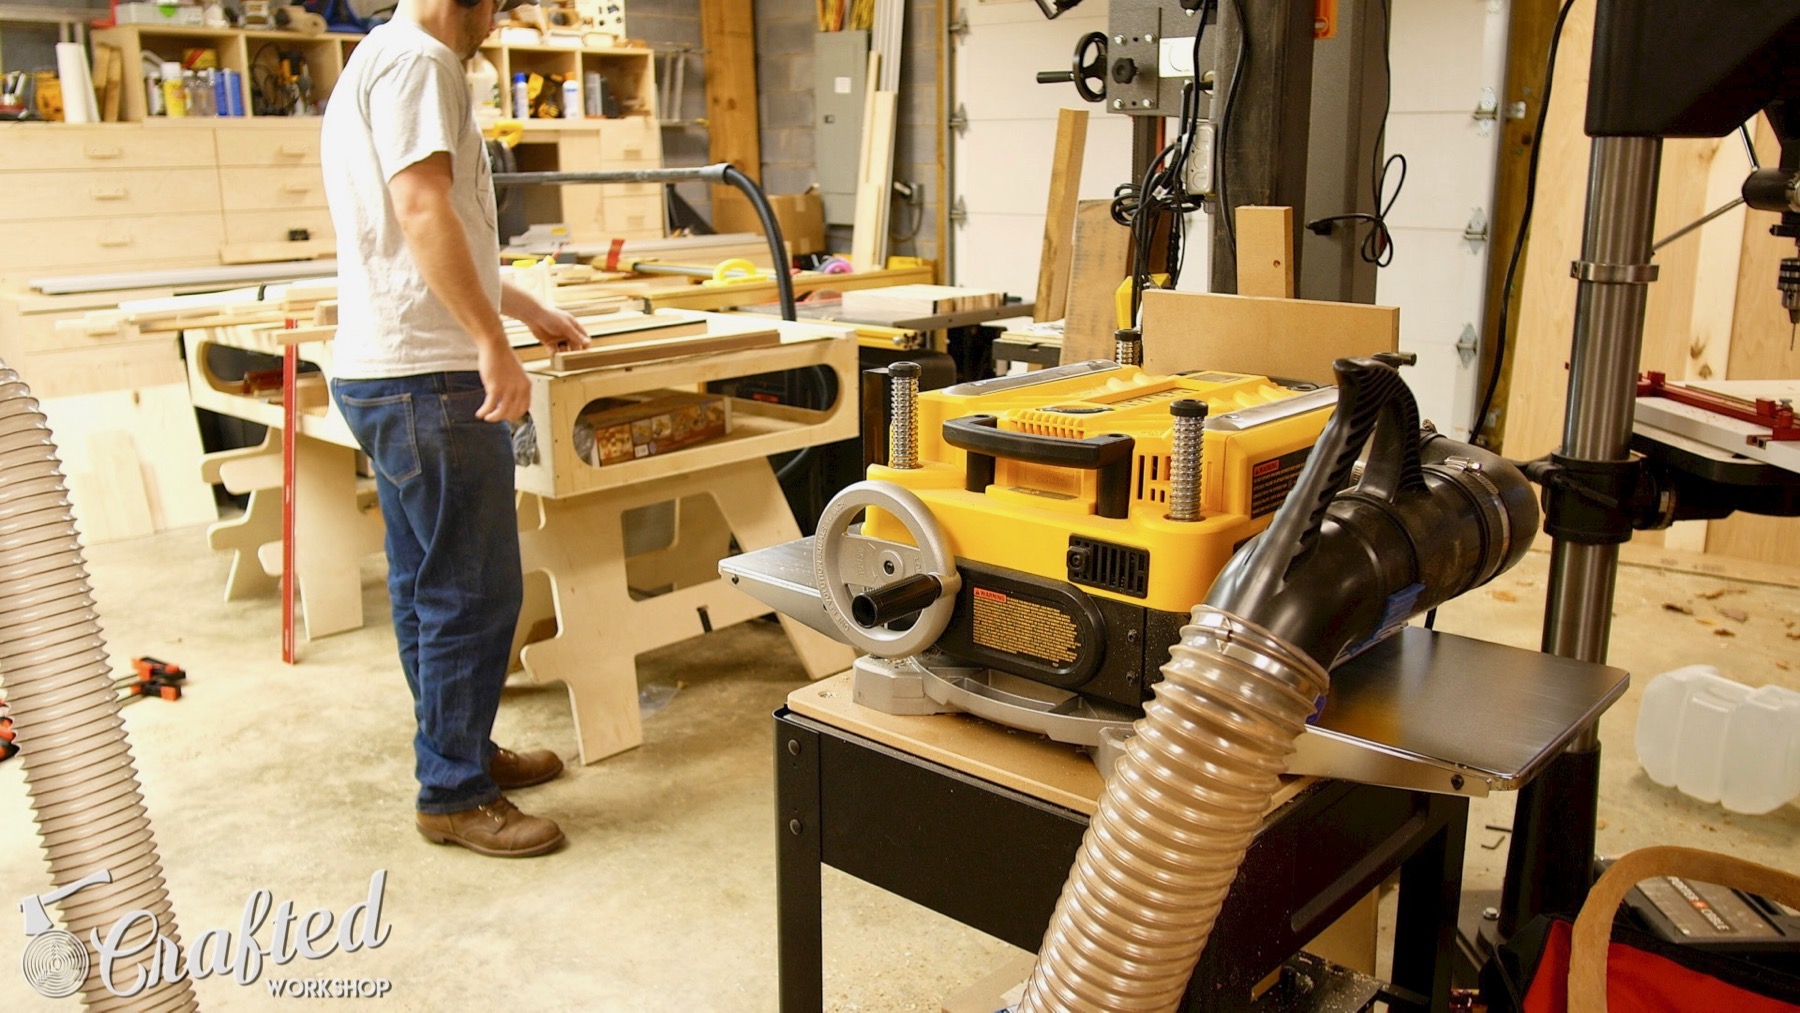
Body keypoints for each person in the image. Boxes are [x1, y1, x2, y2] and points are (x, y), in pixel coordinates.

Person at [320, 0, 589, 858]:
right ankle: (453, 792)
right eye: (496, 7)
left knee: (427, 583)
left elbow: (430, 238)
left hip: (388, 369)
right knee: (473, 591)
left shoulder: (377, 56)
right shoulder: (423, 63)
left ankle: (460, 751)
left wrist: (523, 307)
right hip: (426, 375)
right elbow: (423, 209)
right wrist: (487, 341)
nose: (497, 25)